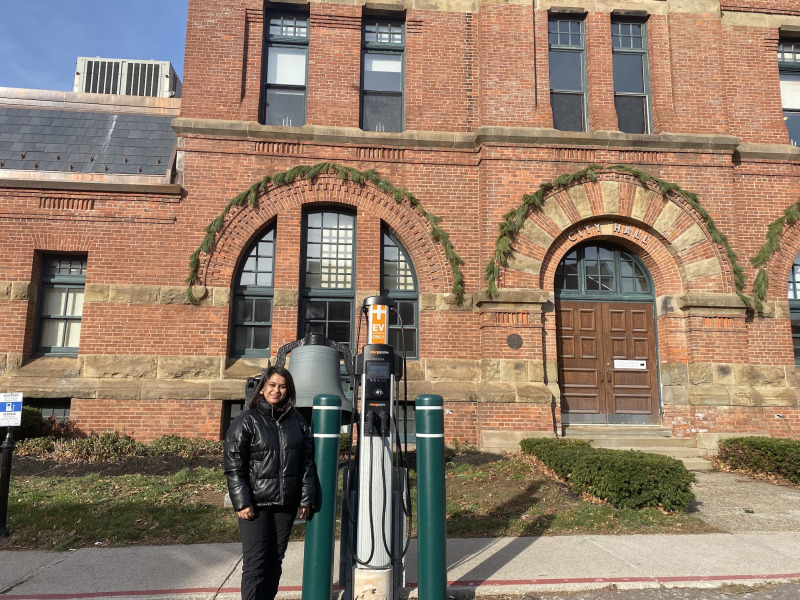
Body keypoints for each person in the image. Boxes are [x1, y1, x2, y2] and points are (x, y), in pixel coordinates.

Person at [224, 366, 316, 600]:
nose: (277, 390)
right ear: (262, 388)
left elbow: (306, 462)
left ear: (288, 390)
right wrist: (242, 502)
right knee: (256, 564)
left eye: (282, 386)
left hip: (285, 504)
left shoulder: (297, 421)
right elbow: (234, 465)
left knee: (275, 562)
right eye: (272, 385)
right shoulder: (246, 421)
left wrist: (305, 498)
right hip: (255, 505)